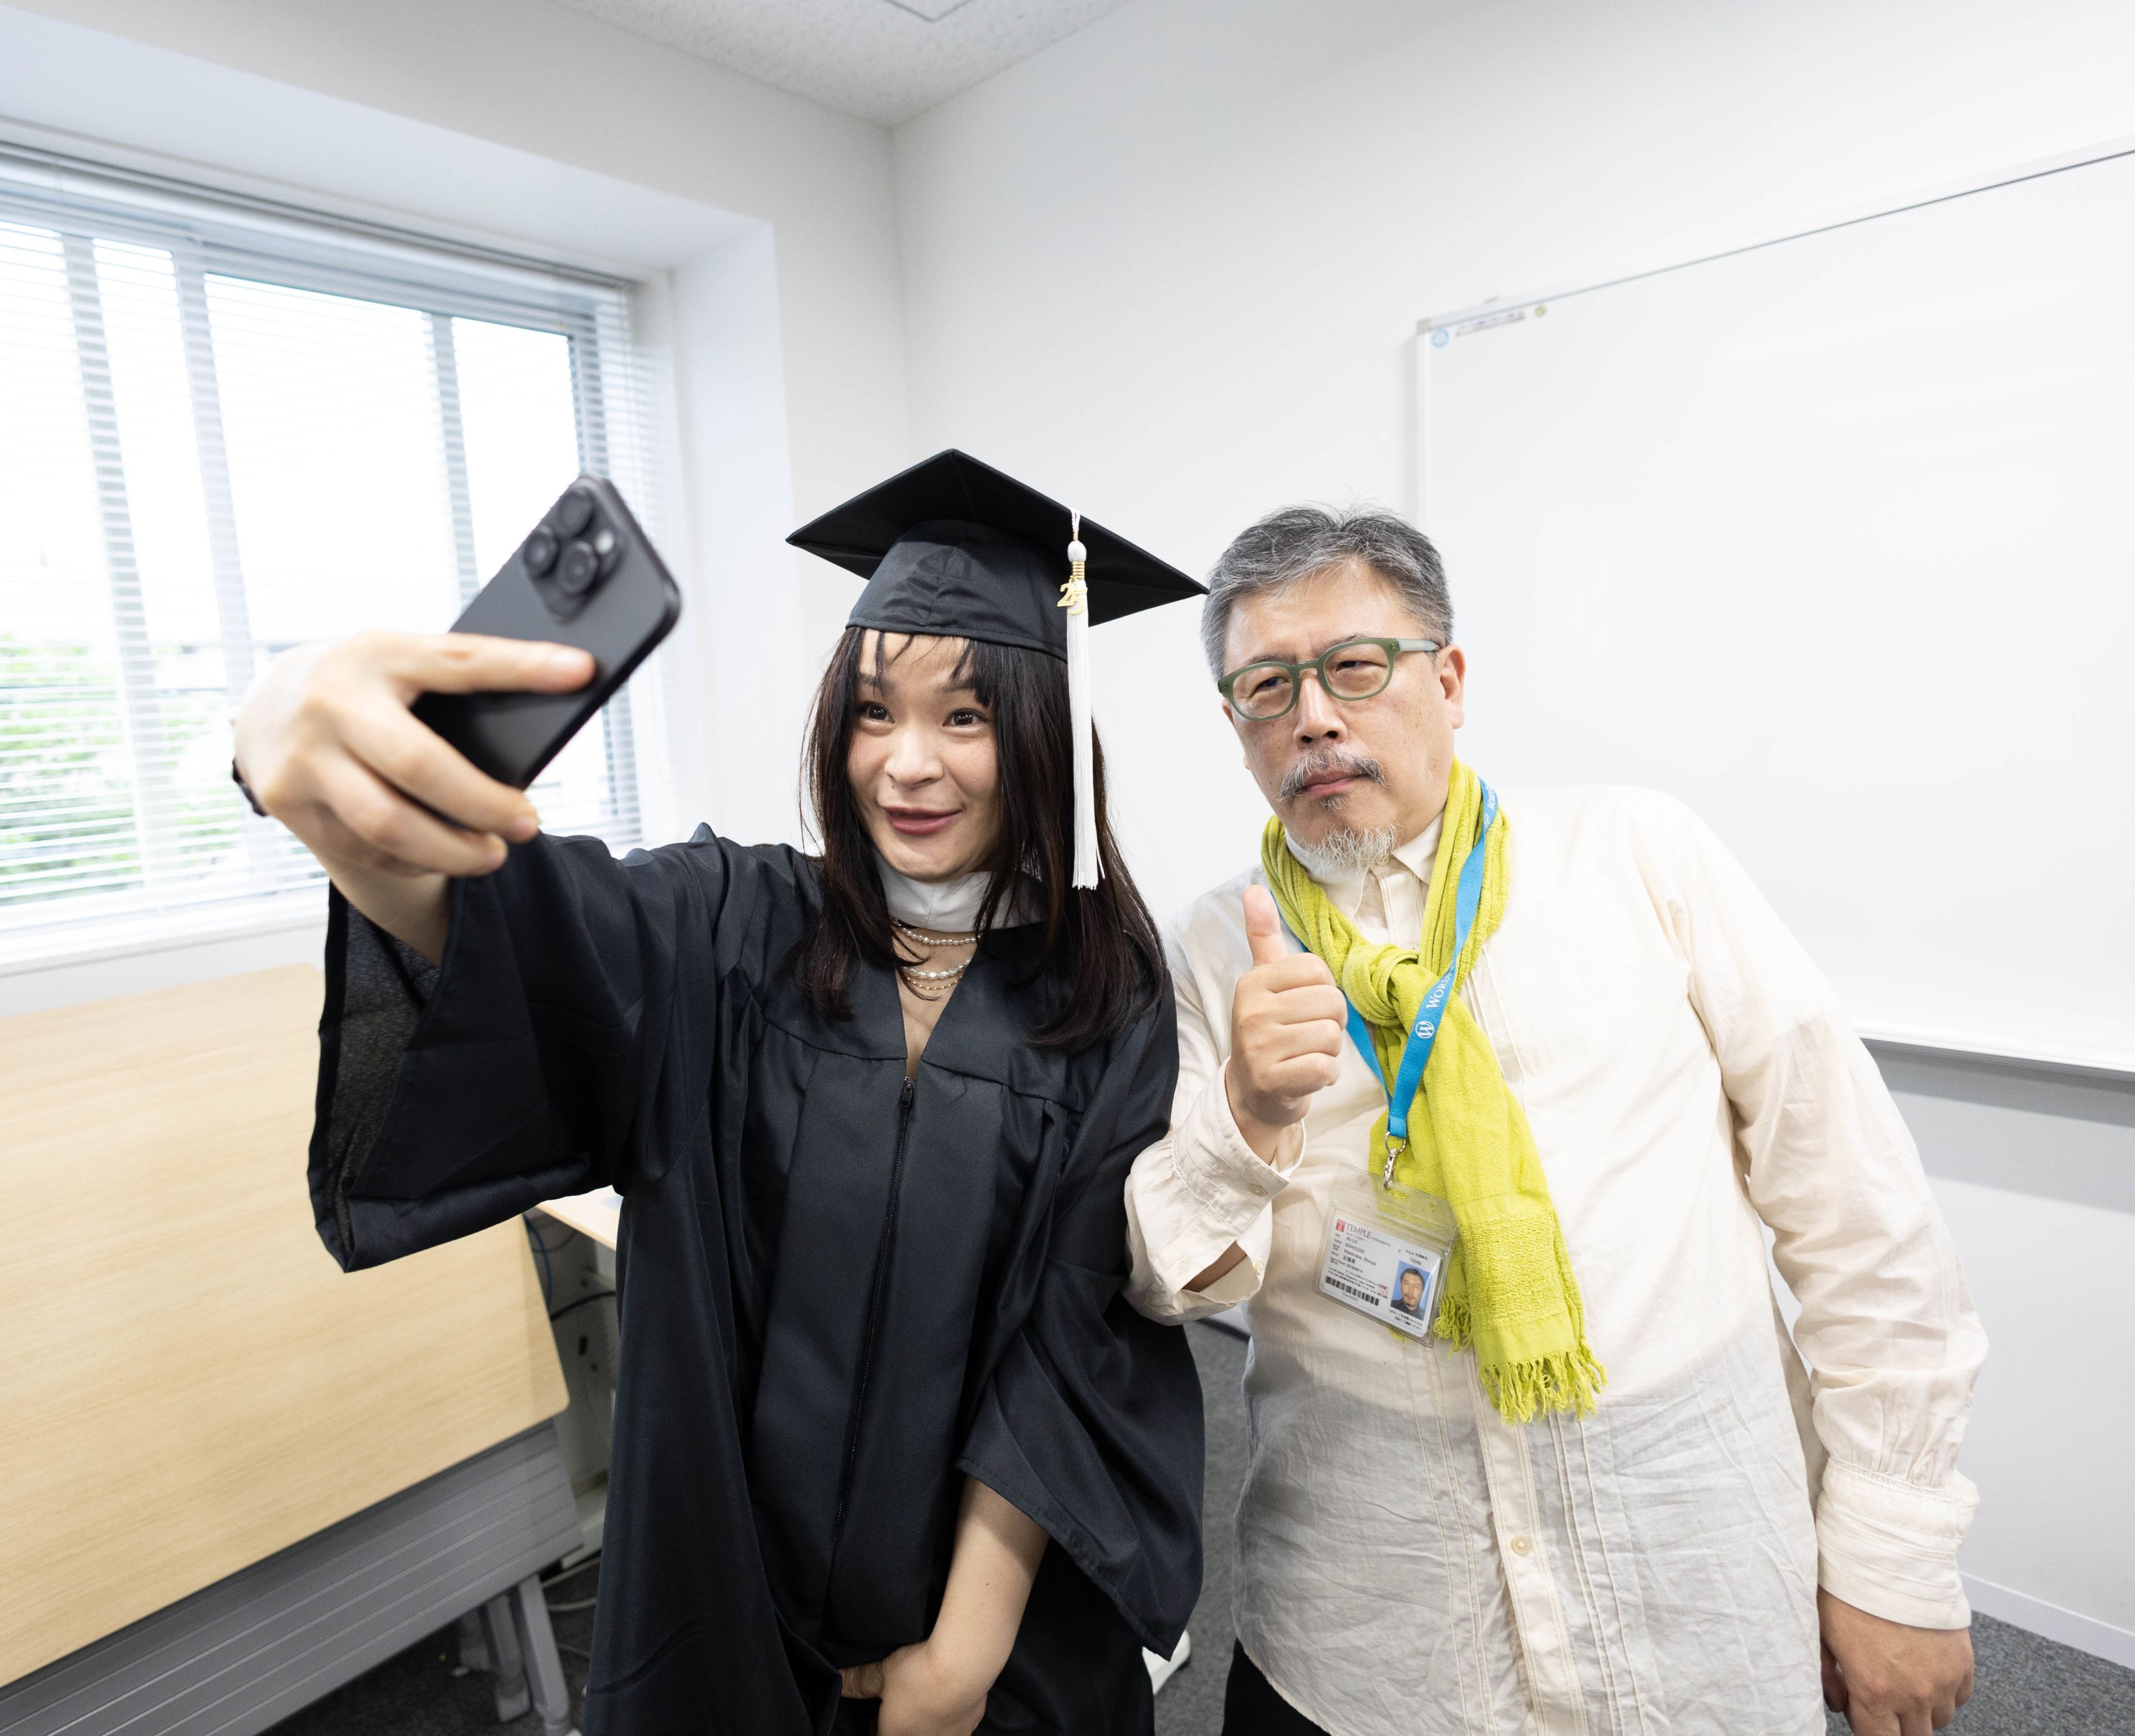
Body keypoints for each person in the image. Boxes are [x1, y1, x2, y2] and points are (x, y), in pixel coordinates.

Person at [233, 450, 1209, 1735]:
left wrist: (958, 1657)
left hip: (998, 1643)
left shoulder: (1109, 986)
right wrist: (319, 779)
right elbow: (510, 934)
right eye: (871, 712)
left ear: (1035, 733)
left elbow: (1074, 1328)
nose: (906, 764)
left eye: (963, 716)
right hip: (734, 1608)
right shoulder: (729, 924)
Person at [1125, 506, 1988, 1736]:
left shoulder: (1637, 855)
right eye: (1267, 687)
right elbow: (1173, 1280)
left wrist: (1896, 1553)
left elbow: (1855, 1209)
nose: (1314, 715)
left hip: (1690, 1588)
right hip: (1370, 1636)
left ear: (1451, 678)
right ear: (1238, 729)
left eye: (1356, 667)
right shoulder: (1213, 945)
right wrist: (1250, 1117)